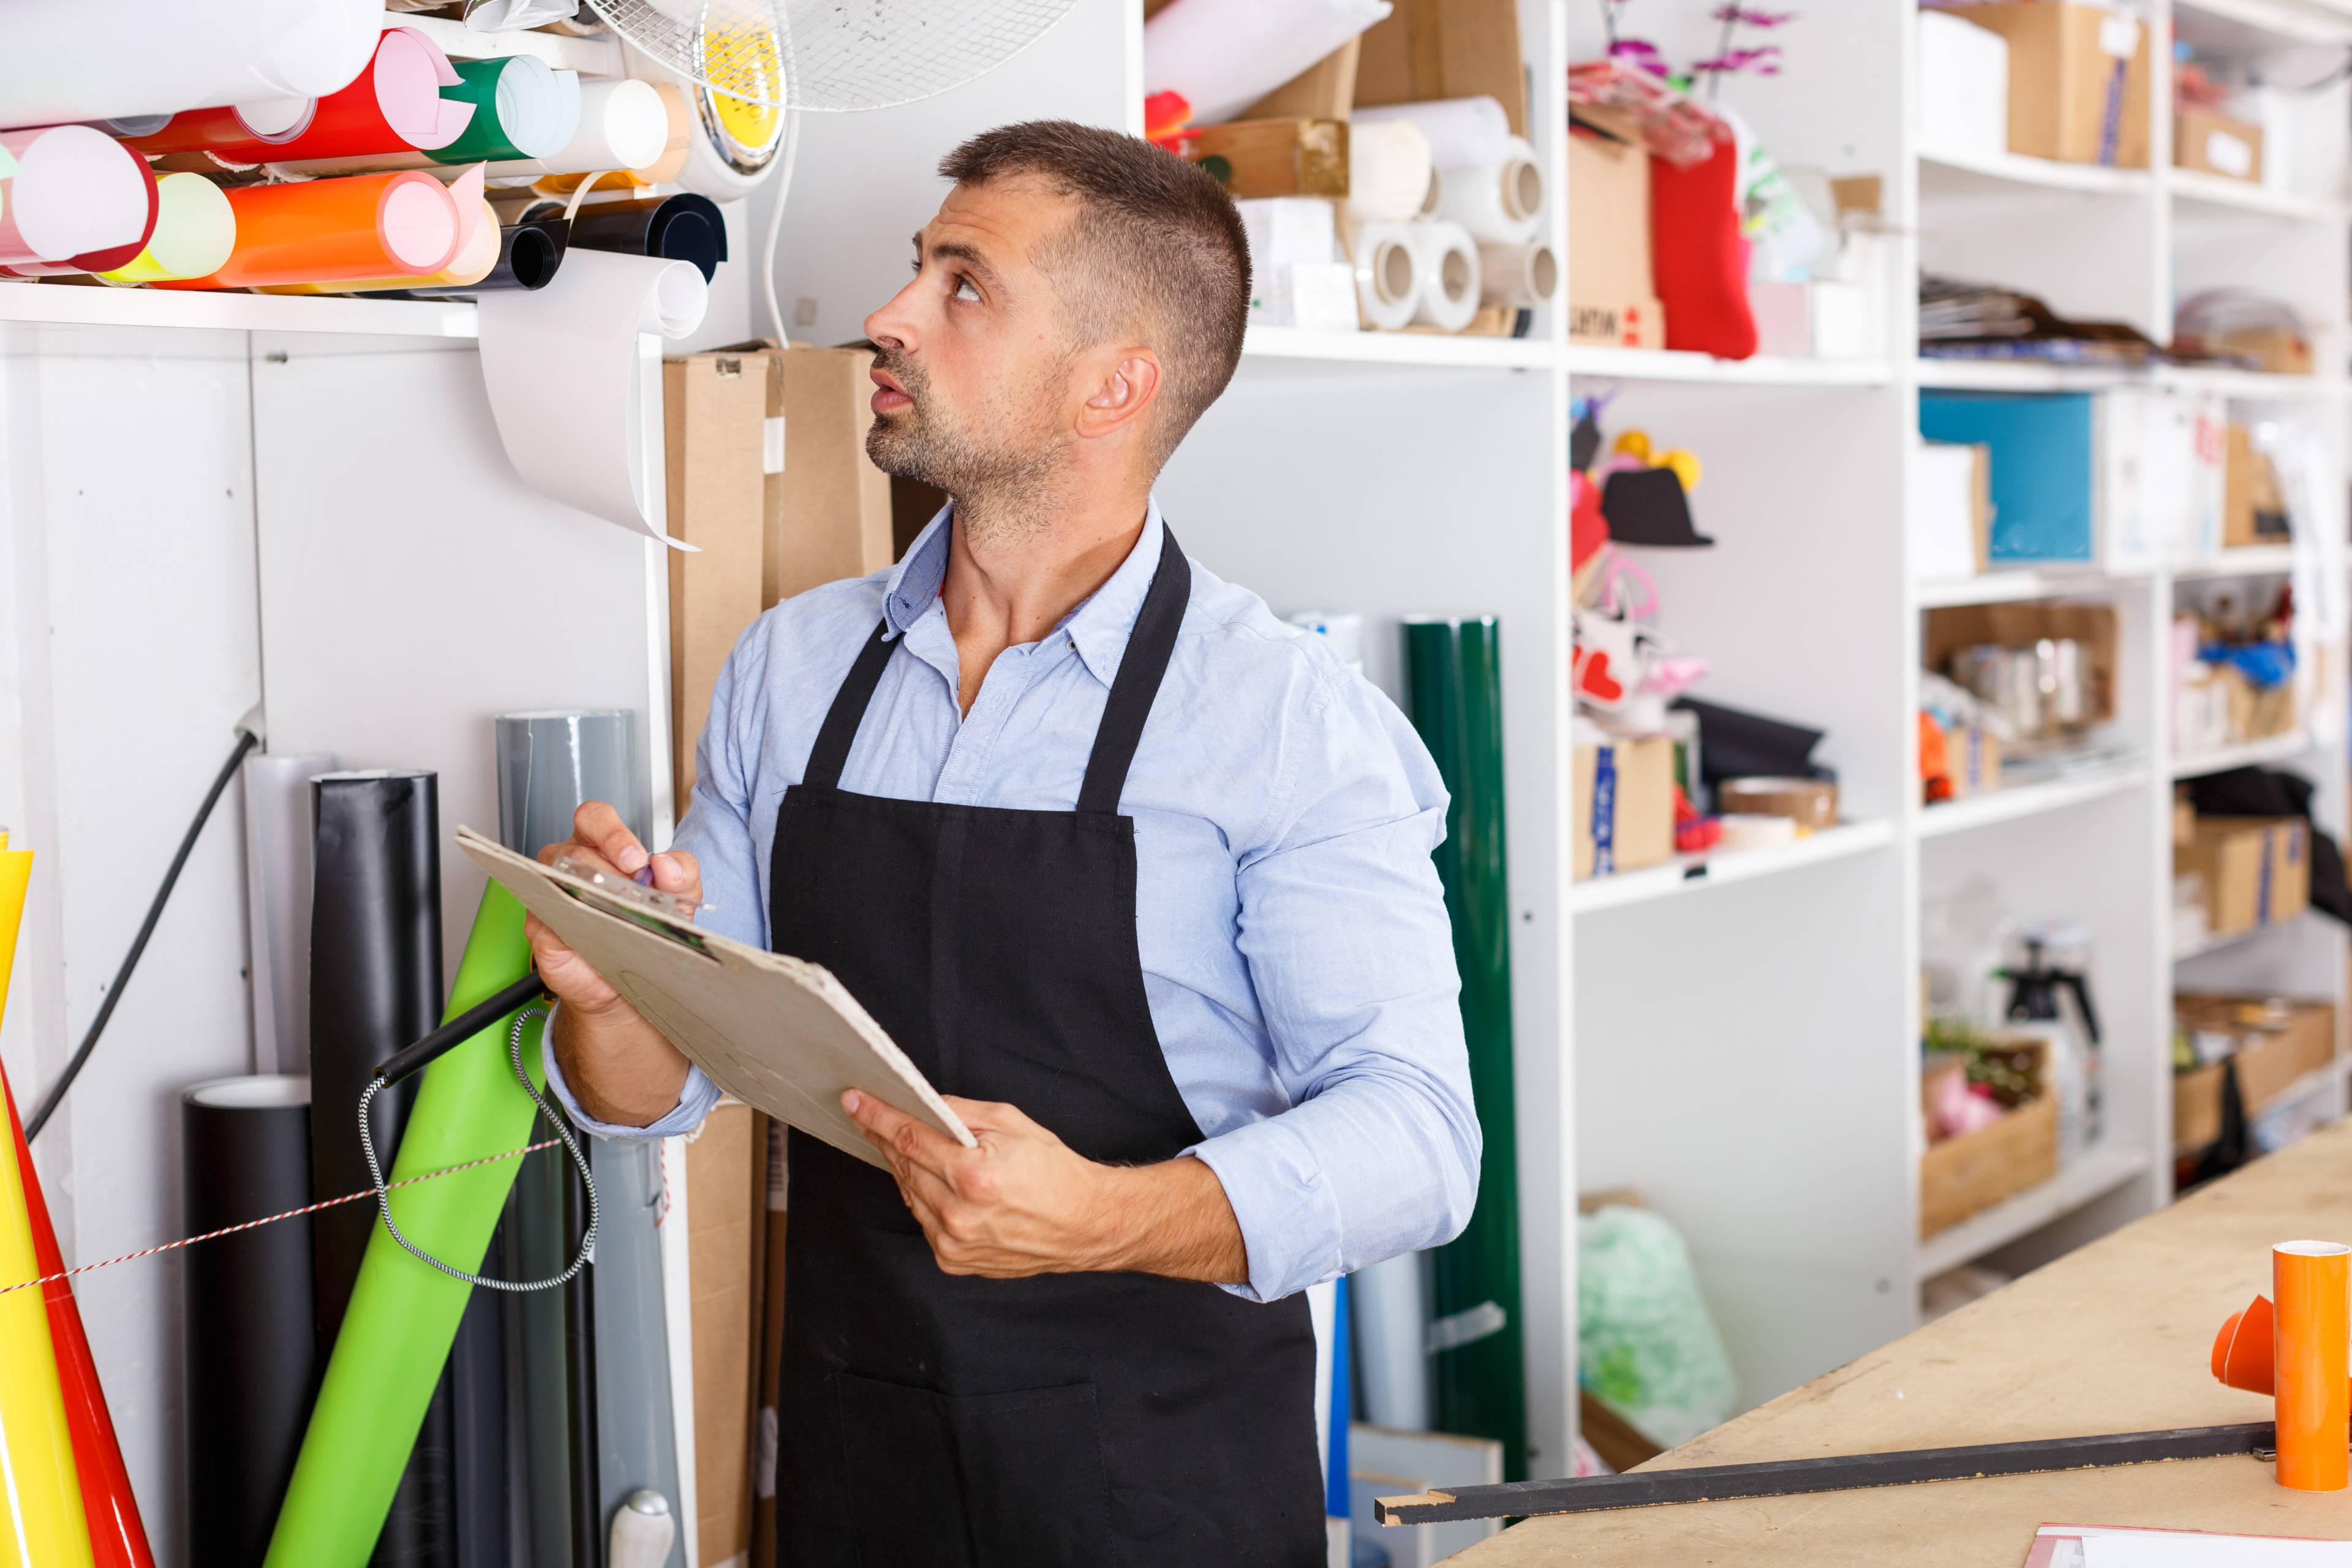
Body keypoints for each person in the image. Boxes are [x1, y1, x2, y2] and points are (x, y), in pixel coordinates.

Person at [529, 119, 1480, 1567]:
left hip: (1159, 1495)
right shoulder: (795, 671)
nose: (889, 317)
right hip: (859, 1471)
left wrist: (1105, 1216)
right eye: (920, 268)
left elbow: (1421, 1137)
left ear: (1115, 385)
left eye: (962, 285)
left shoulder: (1283, 720)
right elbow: (658, 1086)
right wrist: (611, 992)